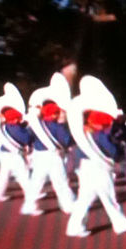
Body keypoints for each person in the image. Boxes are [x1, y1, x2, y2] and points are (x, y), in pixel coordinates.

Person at [65, 75, 126, 237]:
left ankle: (75, 226)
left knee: (87, 197)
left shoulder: (87, 125)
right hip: (96, 164)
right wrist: (119, 152)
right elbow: (109, 145)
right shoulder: (97, 128)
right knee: (108, 194)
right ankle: (120, 224)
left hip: (87, 163)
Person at [0, 82, 43, 215]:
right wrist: (30, 130)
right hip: (14, 154)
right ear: (13, 119)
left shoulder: (7, 126)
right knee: (24, 178)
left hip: (6, 153)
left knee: (4, 175)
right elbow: (25, 139)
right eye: (17, 118)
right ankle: (31, 202)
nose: (19, 120)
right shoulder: (15, 128)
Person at [27, 73, 77, 214]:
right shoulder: (57, 126)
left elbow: (29, 137)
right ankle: (68, 205)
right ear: (55, 113)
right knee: (61, 181)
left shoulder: (38, 123)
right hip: (53, 155)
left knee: (37, 181)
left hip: (39, 154)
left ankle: (30, 205)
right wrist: (63, 124)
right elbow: (66, 141)